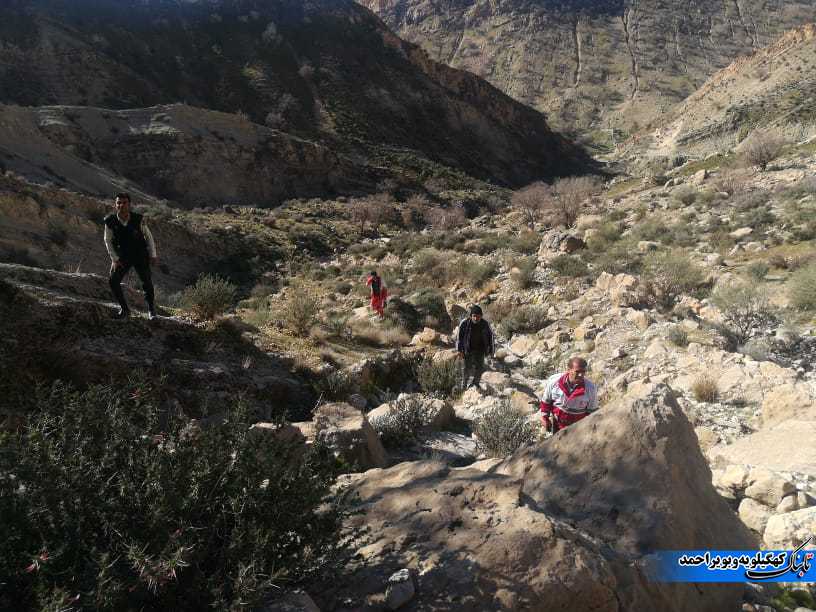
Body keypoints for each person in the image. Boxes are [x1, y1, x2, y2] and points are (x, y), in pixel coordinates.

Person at [104, 193, 159, 320]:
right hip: (122, 256)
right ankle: (125, 310)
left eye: (124, 202)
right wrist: (114, 259)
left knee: (147, 282)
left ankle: (151, 310)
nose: (121, 205)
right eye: (119, 203)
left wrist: (153, 255)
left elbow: (149, 237)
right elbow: (107, 240)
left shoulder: (138, 219)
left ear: (129, 204)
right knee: (113, 281)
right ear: (115, 204)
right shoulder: (110, 221)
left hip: (140, 254)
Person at [539, 357, 598, 433]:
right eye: (577, 371)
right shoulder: (554, 382)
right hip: (557, 426)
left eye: (583, 372)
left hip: (578, 430)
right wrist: (544, 418)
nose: (581, 375)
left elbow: (592, 413)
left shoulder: (590, 388)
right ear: (569, 370)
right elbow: (546, 403)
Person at [456, 305, 495, 389]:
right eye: (474, 316)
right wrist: (459, 350)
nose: (476, 318)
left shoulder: (485, 324)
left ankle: (475, 383)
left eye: (478, 316)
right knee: (466, 368)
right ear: (471, 316)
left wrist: (491, 351)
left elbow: (491, 337)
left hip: (480, 349)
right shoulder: (465, 323)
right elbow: (459, 337)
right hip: (468, 349)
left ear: (481, 316)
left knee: (480, 367)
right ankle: (464, 385)